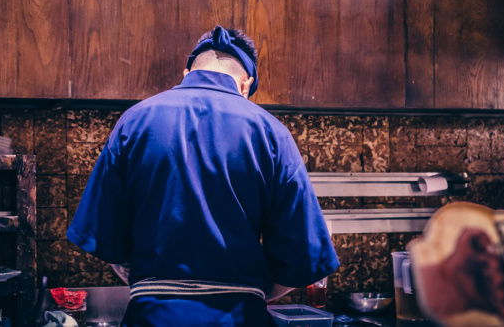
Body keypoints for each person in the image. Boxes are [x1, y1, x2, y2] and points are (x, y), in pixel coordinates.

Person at [67, 26, 339, 327]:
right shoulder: (271, 132)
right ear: (245, 85)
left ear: (186, 73)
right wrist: (250, 293)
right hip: (239, 317)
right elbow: (302, 257)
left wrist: (155, 286)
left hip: (152, 316)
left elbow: (106, 239)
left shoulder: (134, 121)